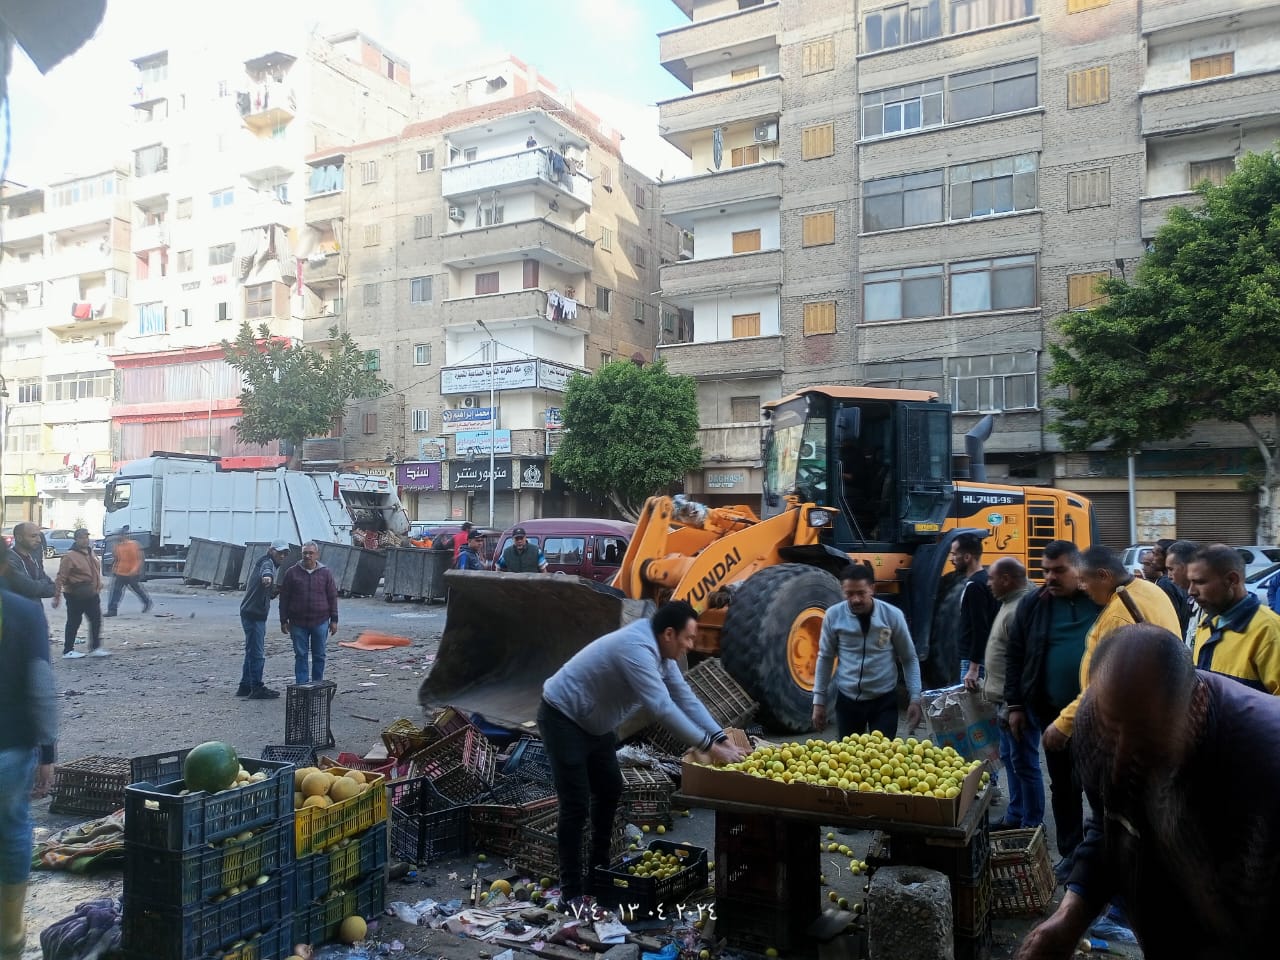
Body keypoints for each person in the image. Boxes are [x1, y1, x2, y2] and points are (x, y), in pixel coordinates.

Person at [1014, 624, 1280, 960]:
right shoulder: (1098, 724)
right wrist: (1069, 918)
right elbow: (1111, 826)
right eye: (1112, 733)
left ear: (1195, 707)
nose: (1120, 761)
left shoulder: (1264, 766)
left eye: (1143, 739)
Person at [539, 601, 747, 907]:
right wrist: (710, 748)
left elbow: (685, 697)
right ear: (669, 634)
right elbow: (662, 708)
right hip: (563, 717)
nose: (690, 646)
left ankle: (598, 874)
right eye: (688, 638)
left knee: (610, 789)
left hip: (596, 726)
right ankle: (570, 892)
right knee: (576, 804)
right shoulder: (636, 649)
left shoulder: (663, 655)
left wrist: (721, 738)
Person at [1003, 540, 1101, 876]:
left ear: (1079, 569)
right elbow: (1015, 654)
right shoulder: (1035, 603)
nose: (1050, 578)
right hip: (1053, 715)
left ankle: (1104, 858)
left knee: (1101, 788)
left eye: (1059, 570)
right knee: (1064, 786)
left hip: (1100, 715)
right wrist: (1015, 705)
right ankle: (1071, 854)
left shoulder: (1101, 599)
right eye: (1045, 571)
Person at [1044, 545, 1181, 752]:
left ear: (1103, 576)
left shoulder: (1119, 615)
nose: (1082, 587)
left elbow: (1107, 683)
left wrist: (1063, 725)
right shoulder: (1150, 590)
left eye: (1084, 580)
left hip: (1128, 729)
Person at [0, 579, 58, 960]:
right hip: (9, 748)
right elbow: (40, 684)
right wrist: (48, 750)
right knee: (12, 830)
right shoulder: (23, 611)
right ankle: (9, 934)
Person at [812, 564, 923, 738]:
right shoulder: (833, 616)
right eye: (849, 594)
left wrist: (915, 698)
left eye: (861, 593)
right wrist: (819, 702)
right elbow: (825, 658)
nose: (855, 599)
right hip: (847, 701)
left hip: (884, 701)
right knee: (847, 754)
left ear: (872, 589)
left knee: (884, 753)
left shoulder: (892, 616)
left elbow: (909, 658)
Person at [976, 557, 1042, 831]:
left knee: (1025, 763)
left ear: (1006, 579)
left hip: (1015, 705)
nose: (988, 584)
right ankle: (1015, 816)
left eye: (992, 578)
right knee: (1012, 760)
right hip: (1005, 703)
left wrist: (1015, 706)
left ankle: (1031, 824)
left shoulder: (1020, 609)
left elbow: (1025, 663)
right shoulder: (1009, 603)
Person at [1187, 543, 1280, 694]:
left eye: (1200, 582)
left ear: (1232, 580)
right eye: (1190, 582)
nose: (1191, 591)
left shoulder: (1269, 631)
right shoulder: (1206, 624)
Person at [278, 542, 339, 685]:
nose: (307, 556)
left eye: (311, 553)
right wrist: (283, 620)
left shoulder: (325, 573)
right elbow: (284, 598)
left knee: (319, 655)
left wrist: (334, 620)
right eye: (305, 553)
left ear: (317, 555)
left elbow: (332, 597)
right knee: (300, 655)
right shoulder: (291, 573)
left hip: (320, 621)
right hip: (297, 623)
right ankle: (302, 686)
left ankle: (317, 685)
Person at [237, 541, 291, 700]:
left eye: (285, 553)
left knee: (251, 651)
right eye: (279, 552)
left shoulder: (271, 563)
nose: (282, 556)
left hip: (251, 612)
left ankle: (245, 685)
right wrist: (267, 578)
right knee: (257, 654)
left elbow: (267, 590)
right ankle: (257, 687)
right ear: (271, 551)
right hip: (254, 614)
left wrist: (275, 590)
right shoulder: (267, 563)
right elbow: (266, 574)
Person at [52, 529, 105, 660]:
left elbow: (95, 571)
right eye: (81, 538)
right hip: (75, 594)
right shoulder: (69, 556)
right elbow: (61, 577)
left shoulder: (90, 552)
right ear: (76, 539)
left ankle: (95, 648)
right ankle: (68, 650)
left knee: (96, 620)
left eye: (86, 537)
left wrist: (98, 585)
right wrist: (57, 596)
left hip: (92, 593)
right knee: (74, 622)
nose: (85, 540)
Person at [954, 533, 998, 688]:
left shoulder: (975, 586)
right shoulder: (985, 580)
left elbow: (980, 628)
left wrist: (973, 668)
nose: (952, 559)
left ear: (967, 557)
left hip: (972, 663)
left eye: (955, 554)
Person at [105, 526, 152, 617]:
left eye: (120, 535)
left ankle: (147, 602)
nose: (118, 537)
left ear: (124, 536)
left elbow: (137, 559)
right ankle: (112, 610)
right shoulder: (117, 546)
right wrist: (114, 569)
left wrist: (134, 570)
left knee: (137, 589)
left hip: (131, 573)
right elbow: (117, 559)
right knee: (116, 592)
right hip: (120, 572)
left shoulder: (132, 545)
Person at [0, 523, 54, 600]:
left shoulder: (33, 559)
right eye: (33, 536)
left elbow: (52, 587)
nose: (39, 540)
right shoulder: (9, 560)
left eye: (39, 536)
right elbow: (29, 588)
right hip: (19, 606)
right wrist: (43, 583)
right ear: (19, 538)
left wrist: (40, 585)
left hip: (35, 606)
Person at [1164, 539, 1201, 646]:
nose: (1169, 576)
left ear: (1186, 567)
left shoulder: (1207, 604)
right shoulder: (1193, 601)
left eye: (1171, 569)